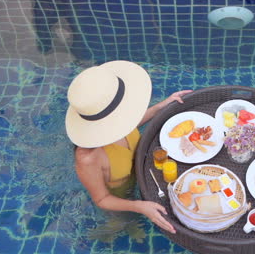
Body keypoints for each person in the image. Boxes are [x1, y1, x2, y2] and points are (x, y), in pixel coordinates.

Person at [65, 60, 192, 235]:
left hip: (143, 173)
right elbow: (102, 199)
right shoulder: (88, 158)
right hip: (121, 194)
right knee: (127, 224)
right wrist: (138, 206)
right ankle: (106, 233)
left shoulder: (119, 123)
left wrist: (161, 106)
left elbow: (130, 123)